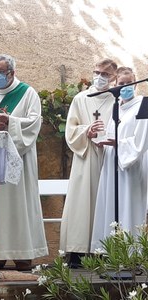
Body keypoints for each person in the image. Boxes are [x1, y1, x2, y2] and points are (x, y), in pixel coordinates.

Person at [0, 54, 48, 271]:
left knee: (19, 206)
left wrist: (10, 123)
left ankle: (23, 254)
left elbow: (33, 123)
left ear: (11, 73)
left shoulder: (28, 93)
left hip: (18, 161)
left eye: (0, 71)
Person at [60, 58, 117, 268]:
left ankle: (104, 251)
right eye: (97, 72)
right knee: (81, 202)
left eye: (105, 74)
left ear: (114, 77)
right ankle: (77, 252)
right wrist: (87, 130)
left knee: (106, 202)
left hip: (108, 156)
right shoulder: (80, 98)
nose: (100, 77)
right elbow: (70, 129)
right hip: (86, 156)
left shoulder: (116, 100)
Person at [90, 67, 147, 251]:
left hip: (131, 166)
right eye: (121, 84)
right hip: (113, 163)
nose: (125, 87)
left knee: (128, 206)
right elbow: (112, 134)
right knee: (113, 204)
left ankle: (131, 253)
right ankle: (112, 252)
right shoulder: (118, 106)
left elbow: (141, 140)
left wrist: (120, 144)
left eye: (129, 83)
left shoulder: (143, 105)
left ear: (135, 83)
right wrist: (105, 143)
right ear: (115, 85)